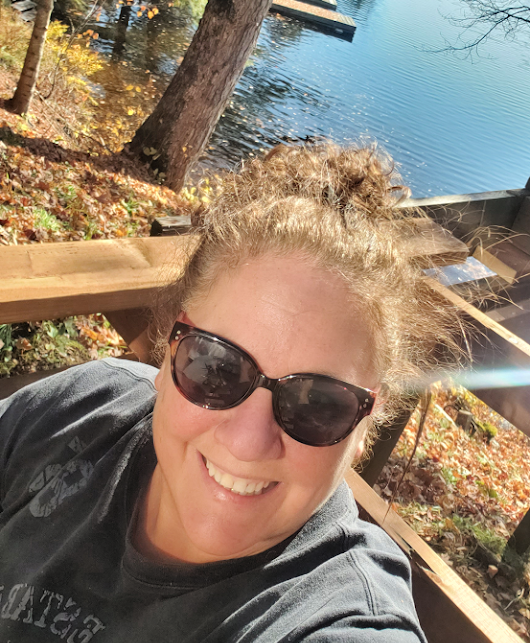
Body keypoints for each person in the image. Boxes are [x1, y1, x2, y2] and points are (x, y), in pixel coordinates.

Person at [0, 143, 463, 642]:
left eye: (317, 403)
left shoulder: (336, 620)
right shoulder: (78, 410)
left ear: (368, 419)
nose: (247, 442)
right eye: (216, 367)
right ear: (169, 351)